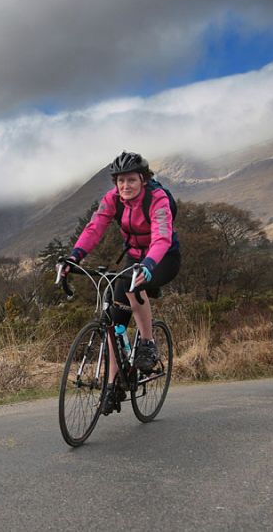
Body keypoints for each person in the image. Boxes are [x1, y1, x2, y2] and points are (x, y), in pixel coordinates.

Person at [65, 151, 181, 414]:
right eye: (120, 181)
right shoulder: (112, 200)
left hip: (163, 259)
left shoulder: (157, 198)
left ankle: (148, 344)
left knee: (134, 287)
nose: (125, 186)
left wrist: (149, 266)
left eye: (131, 180)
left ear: (143, 179)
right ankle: (112, 385)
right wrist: (75, 257)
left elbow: (162, 237)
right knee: (114, 322)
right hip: (134, 257)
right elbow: (94, 228)